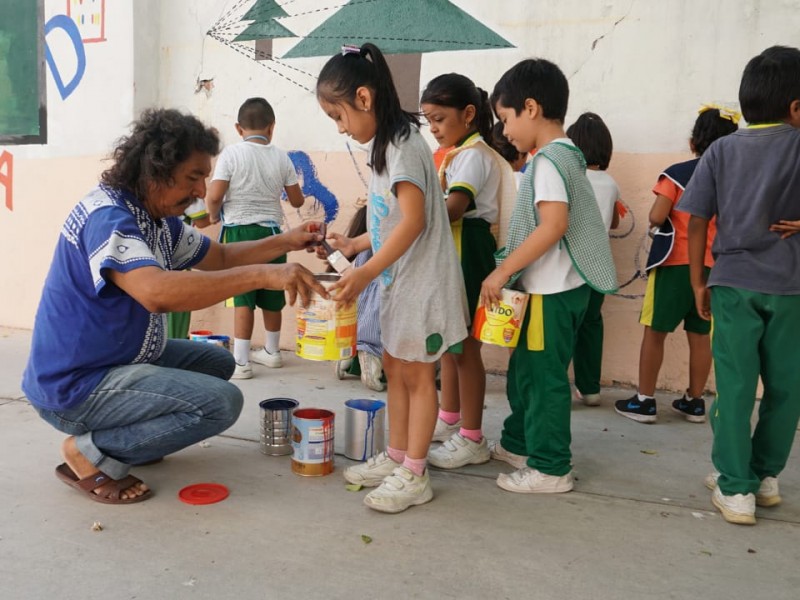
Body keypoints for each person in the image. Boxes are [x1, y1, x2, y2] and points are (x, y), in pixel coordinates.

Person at [21, 108, 324, 505]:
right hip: (76, 386)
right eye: (193, 176)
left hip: (117, 359)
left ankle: (133, 439)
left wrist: (286, 241)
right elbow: (156, 292)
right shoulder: (110, 218)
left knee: (220, 364)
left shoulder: (156, 218)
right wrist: (263, 276)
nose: (202, 190)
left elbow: (218, 257)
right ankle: (90, 453)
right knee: (221, 403)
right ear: (156, 172)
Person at [316, 42, 468, 513]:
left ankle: (415, 473)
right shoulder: (385, 148)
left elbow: (415, 222)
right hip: (398, 280)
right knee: (398, 368)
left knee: (418, 375)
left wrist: (365, 274)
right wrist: (356, 246)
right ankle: (399, 456)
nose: (341, 129)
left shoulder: (403, 146)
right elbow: (388, 221)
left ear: (364, 98)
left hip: (422, 283)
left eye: (338, 116)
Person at [482, 58, 617, 494]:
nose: (504, 132)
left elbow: (553, 225)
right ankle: (519, 442)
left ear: (531, 108)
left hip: (549, 291)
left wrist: (502, 270)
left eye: (505, 119)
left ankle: (551, 467)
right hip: (561, 291)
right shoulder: (570, 155)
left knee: (545, 381)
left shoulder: (548, 162)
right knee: (527, 372)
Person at [678, 45, 800, 525]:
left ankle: (736, 487)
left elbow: (695, 220)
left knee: (734, 387)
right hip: (791, 289)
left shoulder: (721, 150)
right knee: (786, 387)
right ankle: (764, 477)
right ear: (796, 107)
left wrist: (697, 283)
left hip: (730, 283)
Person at [614, 106, 738, 424]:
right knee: (700, 336)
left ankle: (644, 401)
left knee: (655, 331)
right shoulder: (734, 181)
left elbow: (657, 215)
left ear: (693, 141)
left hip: (675, 263)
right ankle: (695, 402)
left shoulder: (677, 174)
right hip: (715, 268)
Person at [419, 73, 516, 469]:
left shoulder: (474, 156)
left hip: (468, 247)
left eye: (440, 119)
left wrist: (412, 214)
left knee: (466, 348)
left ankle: (473, 436)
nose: (434, 128)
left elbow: (455, 208)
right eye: (429, 121)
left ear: (469, 113)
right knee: (449, 341)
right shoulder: (461, 154)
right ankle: (450, 417)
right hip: (454, 249)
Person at [205, 97, 305, 379]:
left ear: (238, 128)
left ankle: (240, 362)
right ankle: (272, 353)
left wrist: (213, 215)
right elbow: (297, 201)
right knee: (273, 293)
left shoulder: (231, 155)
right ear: (272, 128)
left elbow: (214, 195)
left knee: (243, 297)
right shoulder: (281, 156)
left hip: (239, 235)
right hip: (274, 235)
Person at [566, 112, 621, 406]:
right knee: (591, 323)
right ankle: (590, 389)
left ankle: (558, 386)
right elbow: (612, 224)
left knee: (563, 325)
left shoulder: (571, 178)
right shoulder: (611, 184)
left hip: (570, 263)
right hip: (600, 266)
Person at [332, 204, 385, 392]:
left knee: (354, 339)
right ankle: (371, 365)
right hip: (374, 326)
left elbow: (342, 269)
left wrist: (330, 253)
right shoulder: (386, 252)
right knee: (373, 344)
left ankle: (345, 359)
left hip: (353, 325)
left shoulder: (358, 256)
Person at [166, 198, 211, 339]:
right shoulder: (188, 194)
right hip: (179, 257)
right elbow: (202, 222)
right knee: (179, 303)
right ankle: (175, 341)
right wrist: (220, 211)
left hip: (159, 257)